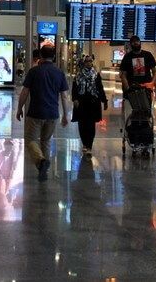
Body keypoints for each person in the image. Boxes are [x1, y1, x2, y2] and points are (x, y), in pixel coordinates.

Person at [16, 45, 69, 181]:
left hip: (35, 112)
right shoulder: (59, 73)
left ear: (40, 55)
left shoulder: (34, 72)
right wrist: (66, 114)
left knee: (30, 140)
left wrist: (19, 108)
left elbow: (25, 92)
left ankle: (41, 161)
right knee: (46, 141)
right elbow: (64, 96)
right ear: (54, 56)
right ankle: (43, 170)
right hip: (52, 114)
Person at [71, 54, 107, 155]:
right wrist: (75, 99)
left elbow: (100, 88)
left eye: (90, 61)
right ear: (83, 63)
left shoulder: (96, 74)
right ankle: (85, 144)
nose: (89, 63)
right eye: (87, 61)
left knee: (91, 125)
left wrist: (104, 100)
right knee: (82, 125)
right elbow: (74, 89)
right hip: (81, 102)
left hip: (93, 102)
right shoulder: (78, 75)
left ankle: (89, 145)